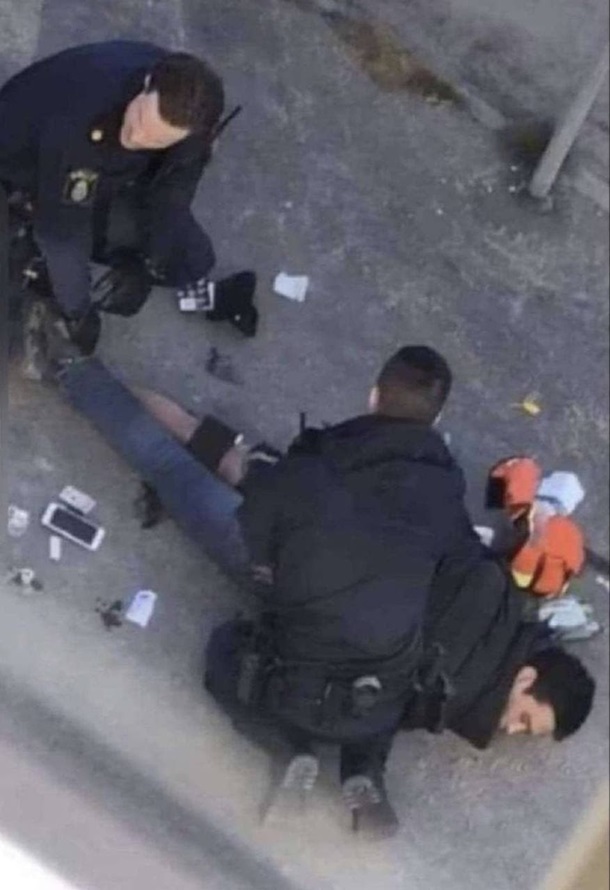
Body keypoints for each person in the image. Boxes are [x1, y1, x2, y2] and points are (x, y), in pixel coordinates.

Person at [30, 310, 596, 840]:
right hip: (284, 569)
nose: (511, 730)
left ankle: (77, 364)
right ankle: (70, 369)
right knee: (173, 474)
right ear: (525, 678)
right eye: (527, 720)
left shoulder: (493, 584)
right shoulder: (448, 694)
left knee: (227, 458)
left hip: (312, 504)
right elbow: (373, 691)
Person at [0, 41, 259, 357]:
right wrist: (78, 311)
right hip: (27, 170)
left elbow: (173, 195)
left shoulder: (188, 111)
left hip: (110, 174)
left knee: (191, 257)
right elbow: (62, 234)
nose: (136, 137)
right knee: (50, 268)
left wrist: (146, 264)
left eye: (155, 138)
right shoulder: (82, 122)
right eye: (139, 120)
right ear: (147, 83)